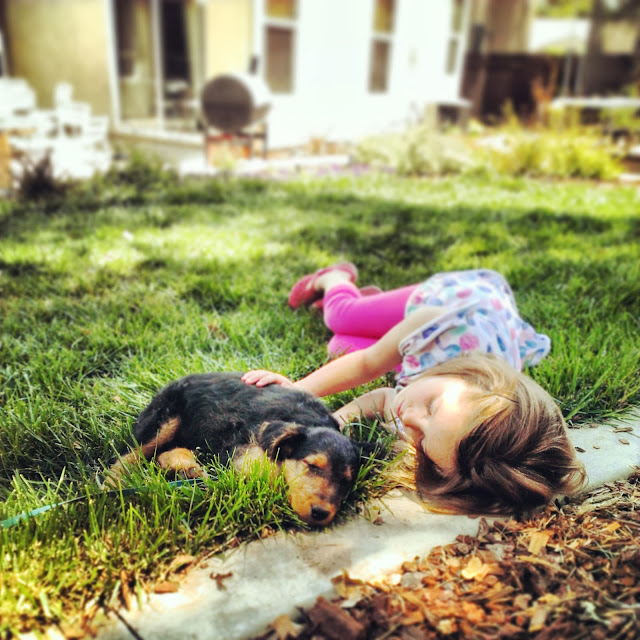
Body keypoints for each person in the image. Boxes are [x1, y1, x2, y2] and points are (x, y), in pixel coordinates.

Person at [242, 263, 586, 515]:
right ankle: (336, 279)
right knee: (341, 318)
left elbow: (382, 399)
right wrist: (298, 391)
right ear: (472, 376)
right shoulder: (436, 326)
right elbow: (367, 365)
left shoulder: (445, 430)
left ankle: (377, 309)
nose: (409, 418)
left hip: (459, 338)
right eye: (432, 406)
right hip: (459, 301)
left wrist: (338, 422)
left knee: (338, 347)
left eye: (421, 439)